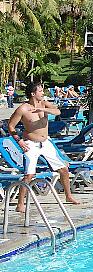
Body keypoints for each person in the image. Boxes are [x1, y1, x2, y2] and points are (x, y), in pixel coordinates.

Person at [7, 82, 80, 212]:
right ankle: (20, 204)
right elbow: (11, 126)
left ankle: (68, 196)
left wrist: (44, 110)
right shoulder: (23, 109)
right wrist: (19, 141)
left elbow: (58, 111)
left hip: (46, 143)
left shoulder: (44, 104)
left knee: (63, 169)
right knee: (29, 175)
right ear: (33, 94)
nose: (43, 93)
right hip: (30, 144)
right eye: (40, 91)